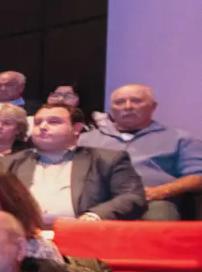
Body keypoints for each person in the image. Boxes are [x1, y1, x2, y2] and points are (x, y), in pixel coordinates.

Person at [2, 103, 146, 224]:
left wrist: (94, 216)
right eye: (38, 122)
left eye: (54, 122)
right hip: (24, 236)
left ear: (76, 128)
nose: (43, 127)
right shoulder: (10, 163)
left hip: (83, 237)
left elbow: (132, 197)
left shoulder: (107, 160)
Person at [80, 83, 202, 219]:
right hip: (98, 201)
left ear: (153, 106)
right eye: (119, 102)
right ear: (111, 109)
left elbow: (197, 177)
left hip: (152, 201)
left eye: (136, 101)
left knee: (159, 212)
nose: (127, 107)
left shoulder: (180, 139)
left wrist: (158, 192)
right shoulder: (85, 140)